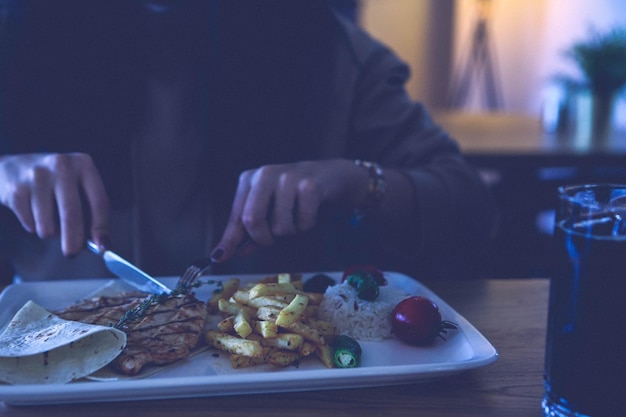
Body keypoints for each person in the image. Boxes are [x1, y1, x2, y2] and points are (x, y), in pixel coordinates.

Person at [0, 0, 497, 283]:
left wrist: (354, 180)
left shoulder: (326, 49)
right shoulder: (13, 41)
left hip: (275, 380)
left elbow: (468, 207)